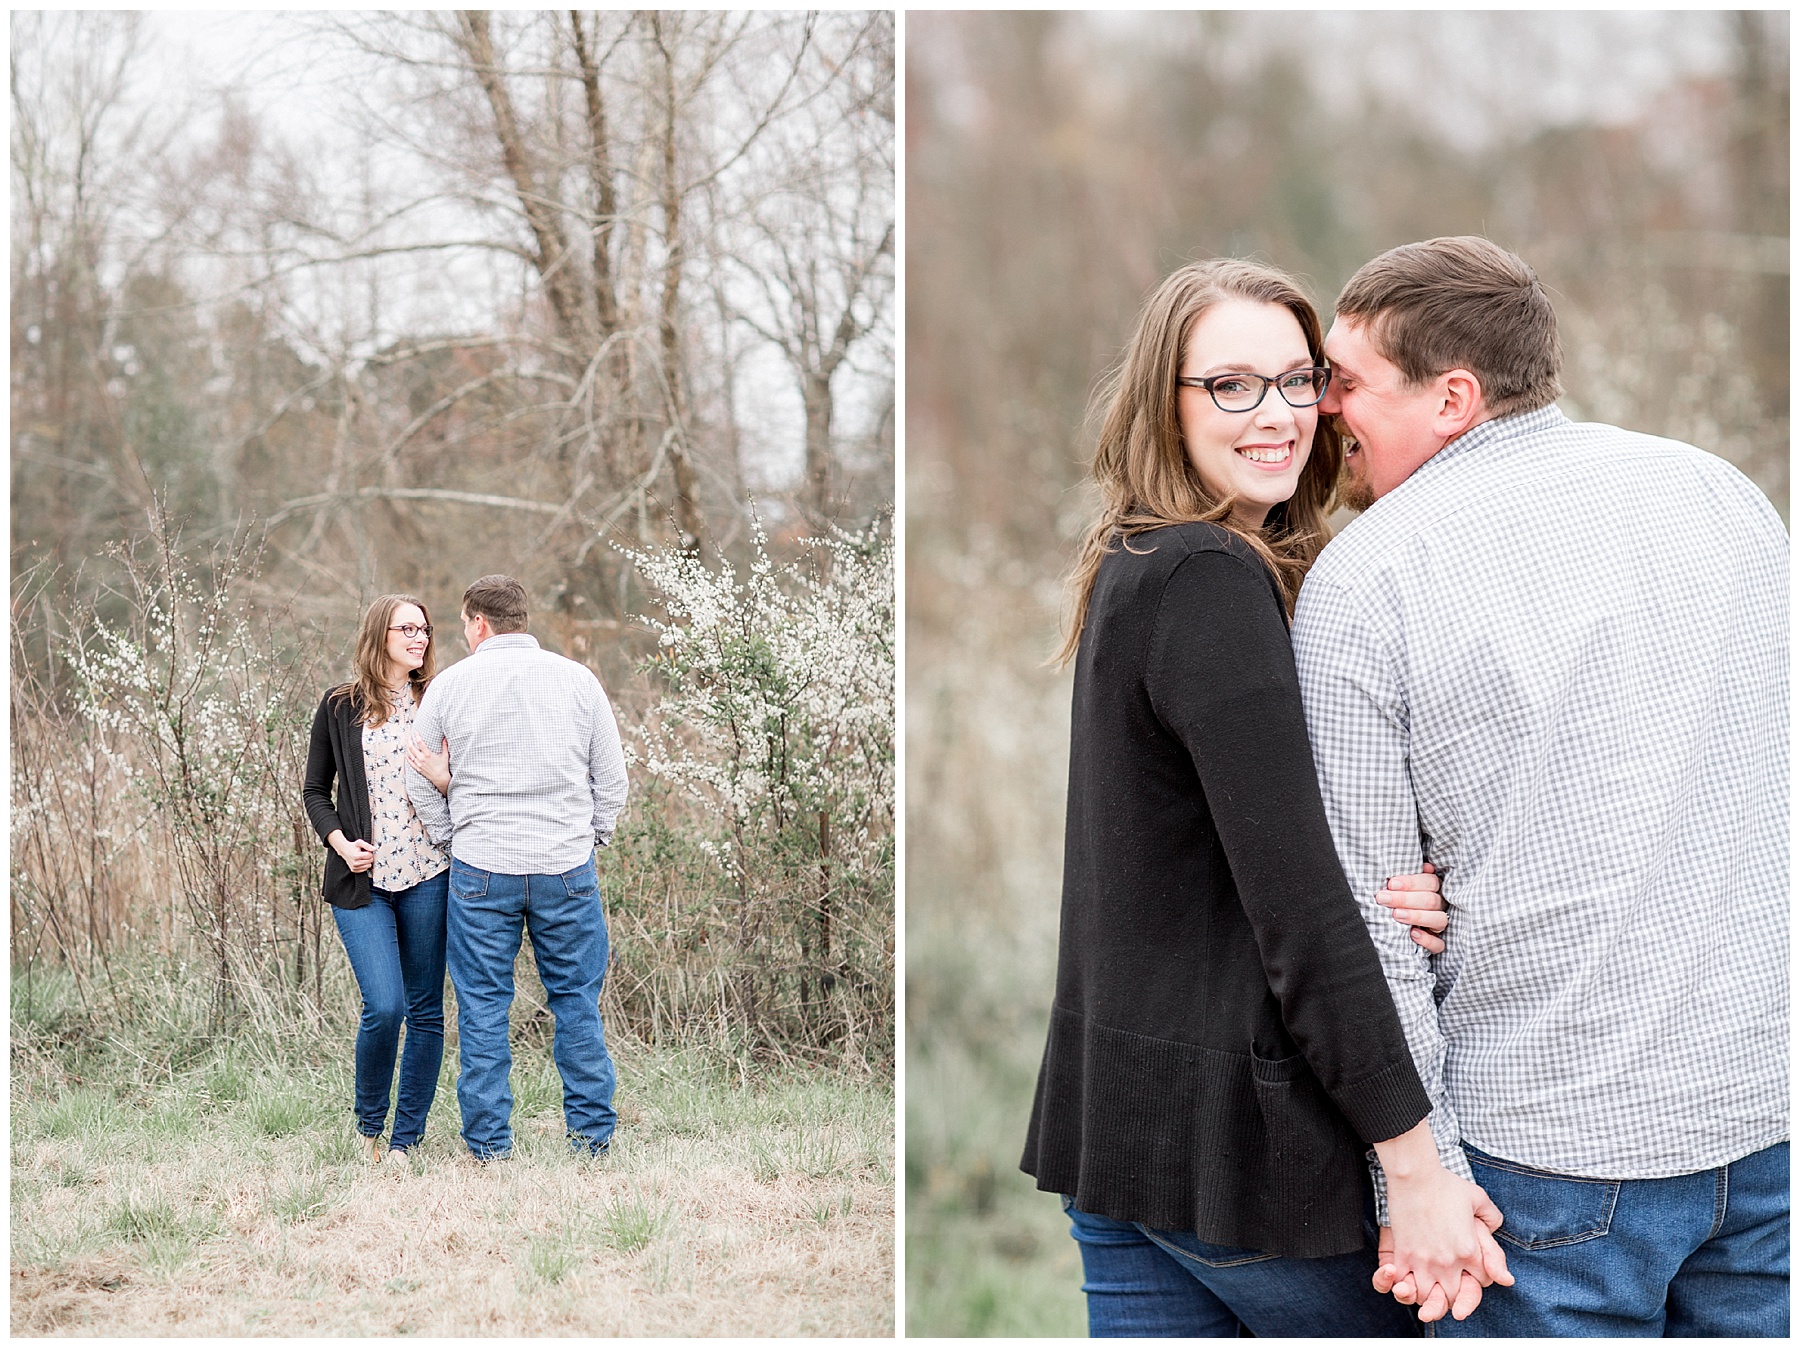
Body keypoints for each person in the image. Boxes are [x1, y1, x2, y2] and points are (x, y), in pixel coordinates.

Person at [1292, 235, 1788, 1336]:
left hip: (1547, 1162)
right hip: (1765, 1127)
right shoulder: (1724, 495)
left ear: (1454, 397)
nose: (1324, 408)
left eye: (1349, 380)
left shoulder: (1369, 578)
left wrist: (1415, 1186)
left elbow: (1365, 929)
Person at [1019, 258, 1511, 1338]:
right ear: (1166, 400)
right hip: (1246, 1162)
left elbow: (1206, 857)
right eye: (1232, 386)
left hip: (1123, 1139)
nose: (1279, 414)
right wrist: (1415, 1166)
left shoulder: (1136, 561)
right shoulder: (1208, 577)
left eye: (1301, 380)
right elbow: (1297, 910)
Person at [403, 573, 628, 1162]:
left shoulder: (450, 685)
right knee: (576, 1000)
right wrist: (590, 837)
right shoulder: (579, 681)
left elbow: (415, 774)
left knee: (481, 1005)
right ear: (521, 620)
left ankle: (488, 1146)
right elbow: (614, 780)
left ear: (478, 622)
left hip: (482, 869)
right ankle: (593, 1141)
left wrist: (455, 836)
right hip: (565, 867)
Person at [302, 594, 450, 1171]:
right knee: (384, 1006)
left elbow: (464, 782)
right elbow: (315, 790)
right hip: (362, 881)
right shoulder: (341, 705)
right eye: (406, 627)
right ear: (379, 634)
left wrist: (444, 778)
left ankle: (405, 1141)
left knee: (427, 1011)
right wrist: (340, 843)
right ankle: (369, 1126)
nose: (419, 637)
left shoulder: (438, 701)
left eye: (425, 628)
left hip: (430, 875)